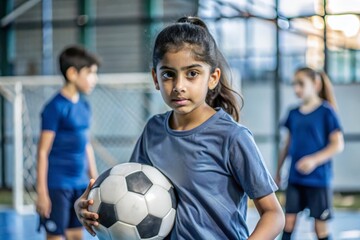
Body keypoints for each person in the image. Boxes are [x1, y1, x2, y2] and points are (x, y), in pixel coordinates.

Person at [75, 16, 284, 239]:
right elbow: (130, 196)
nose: (179, 87)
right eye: (168, 75)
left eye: (192, 74)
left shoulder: (232, 137)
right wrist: (87, 207)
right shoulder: (153, 130)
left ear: (212, 78)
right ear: (155, 78)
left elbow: (273, 214)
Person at [36, 45, 100, 240]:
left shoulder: (84, 106)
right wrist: (42, 192)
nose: (94, 79)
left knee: (75, 235)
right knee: (55, 236)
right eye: (90, 73)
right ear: (72, 73)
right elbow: (42, 152)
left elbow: (85, 144)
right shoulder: (54, 108)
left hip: (79, 185)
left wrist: (95, 177)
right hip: (58, 186)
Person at [276, 67, 344, 240]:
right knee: (288, 222)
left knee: (320, 227)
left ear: (316, 84)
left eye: (301, 84)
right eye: (294, 85)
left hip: (318, 180)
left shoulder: (326, 112)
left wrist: (314, 160)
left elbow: (337, 145)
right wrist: (278, 171)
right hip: (295, 178)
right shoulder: (293, 113)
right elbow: (287, 145)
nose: (296, 89)